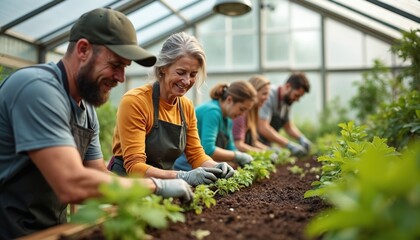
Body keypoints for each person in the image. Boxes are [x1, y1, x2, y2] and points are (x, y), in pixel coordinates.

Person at [0, 8, 193, 239]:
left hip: (51, 227)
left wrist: (162, 185)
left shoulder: (87, 109)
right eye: (115, 65)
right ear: (83, 50)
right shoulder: (37, 89)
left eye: (125, 68)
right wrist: (155, 186)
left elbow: (98, 174)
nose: (121, 78)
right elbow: (72, 183)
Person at [107, 32, 235, 186]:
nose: (187, 81)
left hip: (167, 183)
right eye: (181, 72)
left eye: (193, 74)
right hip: (129, 186)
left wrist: (216, 166)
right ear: (163, 68)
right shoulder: (136, 102)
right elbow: (135, 167)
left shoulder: (186, 107)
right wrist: (182, 176)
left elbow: (196, 155)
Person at [174, 81, 257, 171]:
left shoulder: (227, 118)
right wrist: (237, 156)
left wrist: (240, 157)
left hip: (202, 165)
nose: (242, 114)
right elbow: (209, 149)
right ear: (229, 100)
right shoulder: (212, 112)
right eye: (242, 109)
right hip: (186, 166)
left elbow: (230, 146)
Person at [258, 72, 312, 157]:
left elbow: (288, 127)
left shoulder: (287, 101)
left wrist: (301, 138)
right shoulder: (268, 95)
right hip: (255, 142)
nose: (297, 100)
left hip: (266, 143)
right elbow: (263, 128)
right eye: (296, 95)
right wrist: (288, 144)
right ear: (288, 86)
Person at [232, 75, 271, 152]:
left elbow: (254, 142)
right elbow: (238, 144)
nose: (267, 98)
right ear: (254, 92)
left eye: (268, 94)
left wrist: (269, 150)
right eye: (264, 94)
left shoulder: (253, 113)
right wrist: (263, 153)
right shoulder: (240, 114)